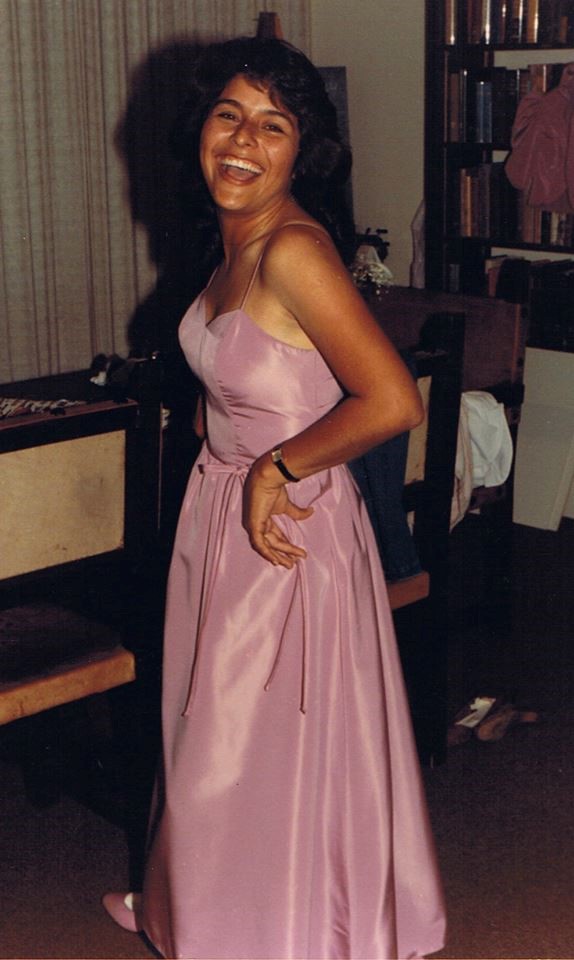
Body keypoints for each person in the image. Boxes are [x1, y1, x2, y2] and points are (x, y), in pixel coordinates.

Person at [103, 36, 446, 960]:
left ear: (303, 151)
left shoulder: (293, 249)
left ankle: (273, 931)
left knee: (246, 741)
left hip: (286, 525)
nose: (243, 141)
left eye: (273, 124)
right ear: (199, 129)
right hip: (222, 514)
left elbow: (393, 399)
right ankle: (201, 906)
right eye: (229, 115)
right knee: (212, 732)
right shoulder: (231, 247)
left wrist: (273, 469)